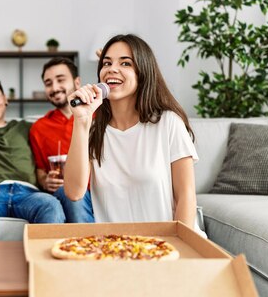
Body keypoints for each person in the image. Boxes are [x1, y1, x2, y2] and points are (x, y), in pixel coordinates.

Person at [64, 34, 200, 231]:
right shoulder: (94, 131)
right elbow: (74, 192)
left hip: (170, 248)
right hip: (117, 249)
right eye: (107, 63)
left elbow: (186, 196)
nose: (112, 69)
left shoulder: (168, 123)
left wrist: (178, 249)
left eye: (126, 63)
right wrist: (81, 120)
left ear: (142, 72)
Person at [0, 73, 65, 224]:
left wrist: (45, 180)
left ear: (5, 99)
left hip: (29, 195)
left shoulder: (28, 128)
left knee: (51, 205)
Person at [29, 57, 94, 223]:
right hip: (70, 193)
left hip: (103, 189)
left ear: (77, 82)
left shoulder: (98, 114)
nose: (54, 88)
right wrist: (46, 181)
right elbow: (41, 171)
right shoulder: (39, 128)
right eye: (48, 83)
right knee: (71, 194)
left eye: (60, 80)